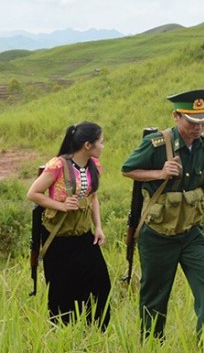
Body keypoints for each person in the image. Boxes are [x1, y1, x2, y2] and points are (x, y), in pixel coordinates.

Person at [121, 89, 204, 345]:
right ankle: (152, 345)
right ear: (176, 116)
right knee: (154, 298)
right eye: (191, 121)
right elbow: (128, 169)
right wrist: (159, 173)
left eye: (203, 120)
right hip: (157, 235)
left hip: (191, 233)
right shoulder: (157, 143)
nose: (198, 127)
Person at [26, 121, 111, 329]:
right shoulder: (57, 165)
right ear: (87, 145)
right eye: (101, 142)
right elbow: (33, 194)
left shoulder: (94, 166)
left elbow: (93, 198)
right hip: (58, 239)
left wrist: (98, 227)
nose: (103, 146)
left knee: (100, 284)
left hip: (83, 235)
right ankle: (63, 335)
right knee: (62, 290)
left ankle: (95, 332)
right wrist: (61, 206)